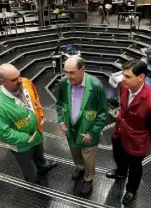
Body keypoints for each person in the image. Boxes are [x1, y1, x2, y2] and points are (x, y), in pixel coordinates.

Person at [106, 60, 151, 206]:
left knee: (135, 167)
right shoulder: (124, 86)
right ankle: (121, 172)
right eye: (123, 75)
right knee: (118, 155)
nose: (123, 79)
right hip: (119, 132)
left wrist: (145, 138)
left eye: (127, 76)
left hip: (136, 143)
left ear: (141, 77)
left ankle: (131, 189)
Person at [0, 63, 57, 183]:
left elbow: (36, 98)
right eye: (14, 79)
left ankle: (43, 166)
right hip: (21, 145)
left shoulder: (25, 82)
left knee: (39, 154)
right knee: (27, 166)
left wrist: (40, 117)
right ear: (3, 82)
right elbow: (3, 133)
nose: (20, 80)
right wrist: (27, 137)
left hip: (37, 134)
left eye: (19, 76)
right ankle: (31, 181)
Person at [56, 55, 108, 194]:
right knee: (75, 153)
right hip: (70, 129)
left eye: (71, 72)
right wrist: (61, 121)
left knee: (88, 157)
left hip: (88, 132)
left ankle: (88, 178)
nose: (67, 76)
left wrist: (92, 132)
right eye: (65, 72)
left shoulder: (96, 86)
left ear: (82, 69)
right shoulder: (63, 83)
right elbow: (59, 104)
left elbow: (103, 112)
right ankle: (79, 168)